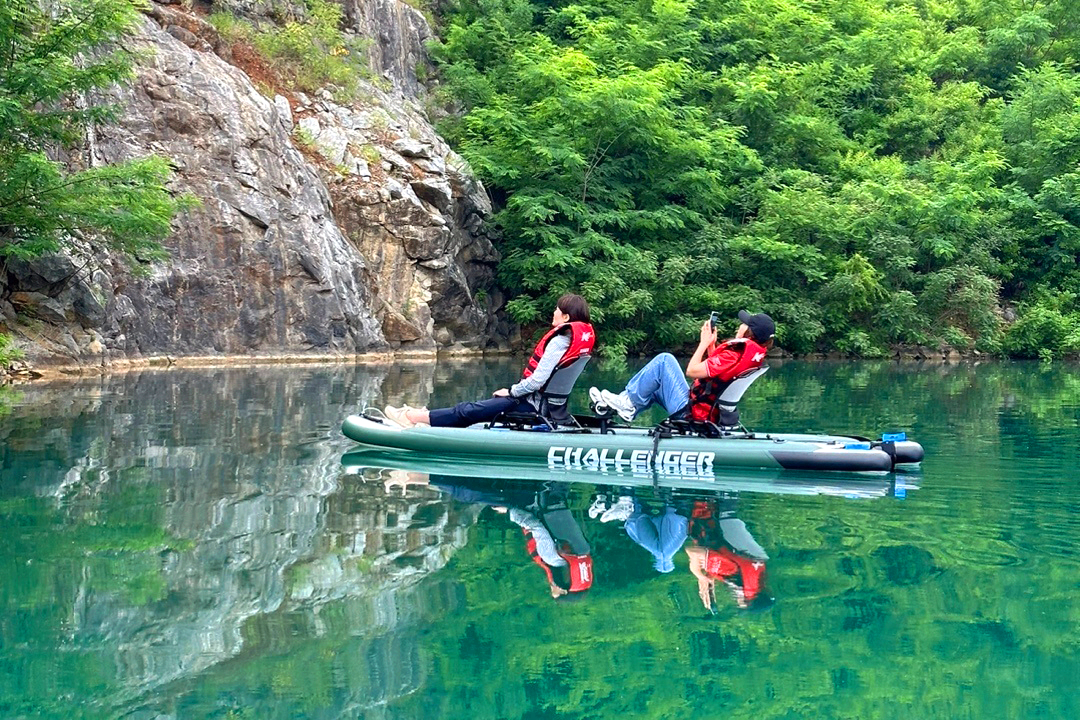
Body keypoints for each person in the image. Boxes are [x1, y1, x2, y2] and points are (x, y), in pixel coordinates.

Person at [384, 294, 594, 428]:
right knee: (479, 407)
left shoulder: (559, 342)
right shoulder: (575, 341)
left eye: (557, 310)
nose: (554, 313)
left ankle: (412, 418)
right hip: (550, 407)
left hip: (531, 406)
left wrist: (511, 392)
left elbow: (537, 381)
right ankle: (428, 416)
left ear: (566, 317)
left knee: (469, 409)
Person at [590, 310, 774, 423]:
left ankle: (626, 404)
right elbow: (721, 373)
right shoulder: (751, 354)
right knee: (656, 383)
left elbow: (692, 371)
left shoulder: (734, 353)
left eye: (744, 324)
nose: (740, 325)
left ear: (749, 332)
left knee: (665, 360)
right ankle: (626, 405)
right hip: (708, 411)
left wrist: (702, 343)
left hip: (692, 412)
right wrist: (712, 345)